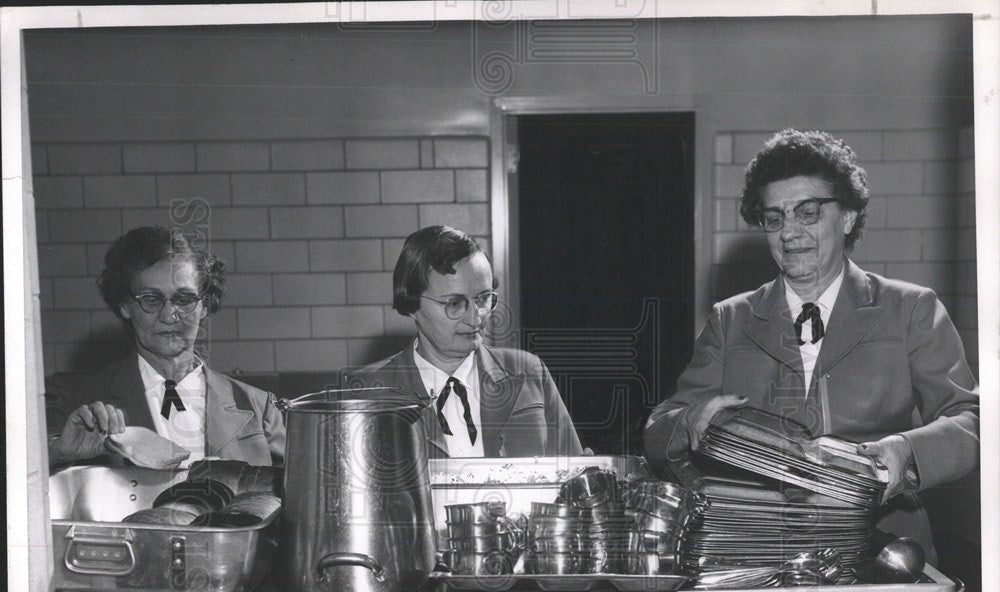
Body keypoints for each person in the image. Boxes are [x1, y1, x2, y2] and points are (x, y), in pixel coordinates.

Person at [643, 129, 979, 557]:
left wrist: (906, 452)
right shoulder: (731, 319)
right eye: (775, 217)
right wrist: (690, 422)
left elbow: (971, 422)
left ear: (848, 217)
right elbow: (658, 428)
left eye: (808, 212)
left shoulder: (910, 309)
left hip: (885, 549)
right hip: (756, 551)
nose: (790, 232)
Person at [46, 226, 285, 469]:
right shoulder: (77, 399)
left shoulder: (258, 406)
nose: (170, 316)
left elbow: (297, 494)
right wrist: (59, 453)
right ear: (124, 305)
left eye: (184, 300)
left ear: (204, 305)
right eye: (151, 299)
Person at [347, 225, 583, 458]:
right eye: (454, 303)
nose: (475, 317)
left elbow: (575, 480)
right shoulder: (367, 392)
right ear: (412, 304)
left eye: (483, 299)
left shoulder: (529, 372)